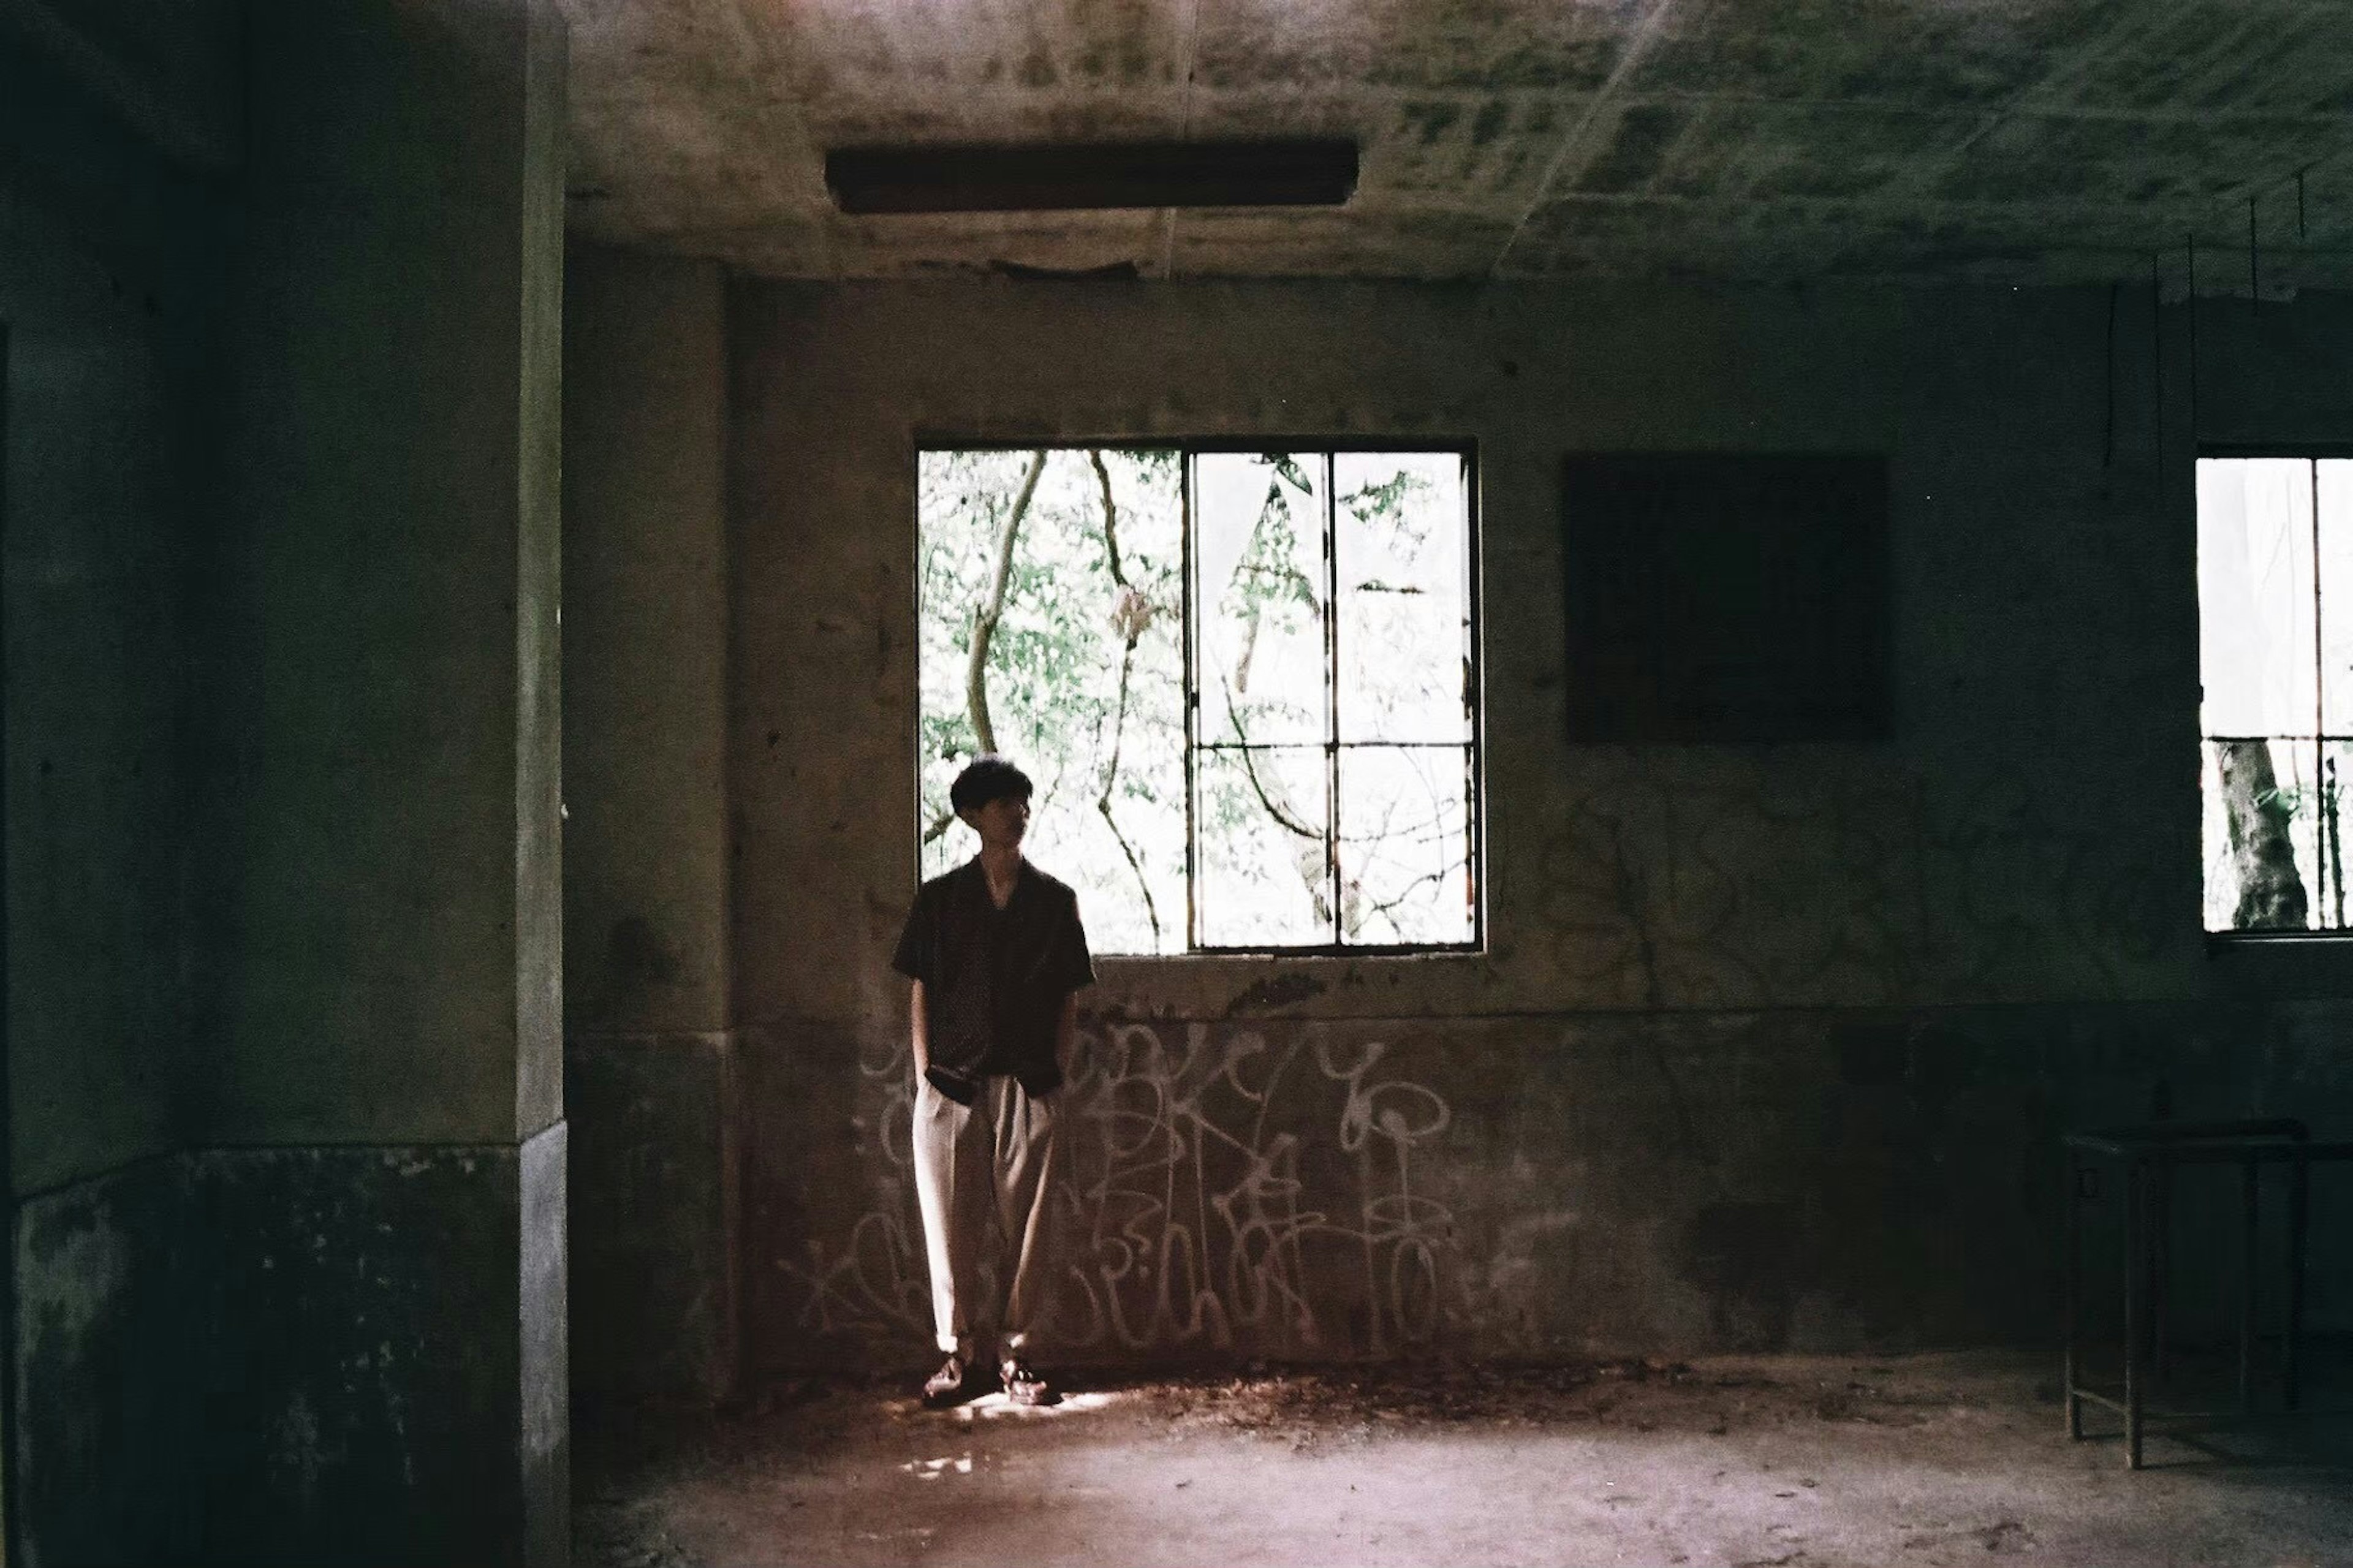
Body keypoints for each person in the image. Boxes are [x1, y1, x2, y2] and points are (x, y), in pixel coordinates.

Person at [892, 754, 1095, 1406]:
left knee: (1029, 1230)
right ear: (974, 815)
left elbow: (1068, 997)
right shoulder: (941, 901)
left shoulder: (1055, 902)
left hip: (1030, 1084)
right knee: (949, 1227)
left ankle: (1019, 1356)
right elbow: (920, 990)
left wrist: (1055, 1080)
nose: (1020, 813)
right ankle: (957, 1356)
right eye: (1007, 803)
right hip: (951, 1086)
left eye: (1025, 802)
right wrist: (925, 1075)